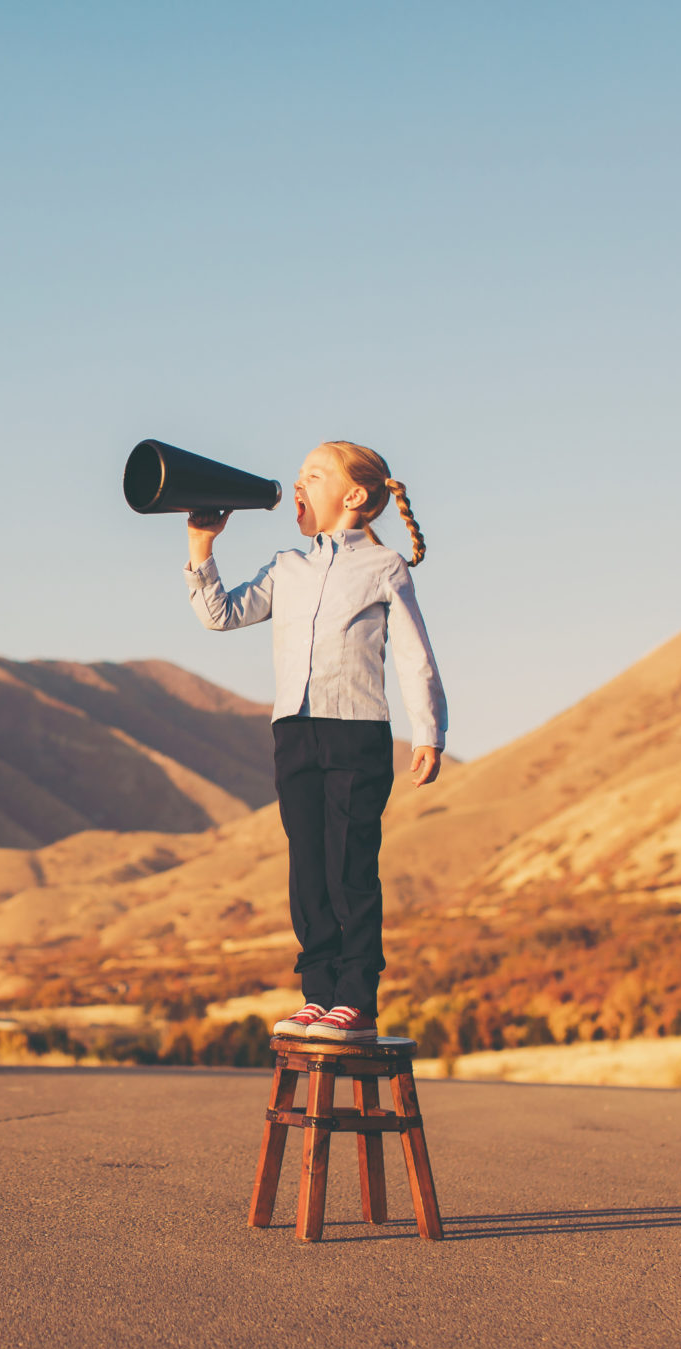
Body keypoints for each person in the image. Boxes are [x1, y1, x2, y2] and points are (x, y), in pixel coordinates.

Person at [183, 440, 447, 1042]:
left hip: (356, 732)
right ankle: (318, 994)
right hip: (293, 731)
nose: (297, 484)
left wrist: (428, 732)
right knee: (307, 868)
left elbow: (413, 655)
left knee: (349, 865)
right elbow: (220, 614)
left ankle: (355, 999)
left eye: (314, 474)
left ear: (354, 497)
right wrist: (202, 545)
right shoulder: (286, 568)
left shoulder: (384, 568)